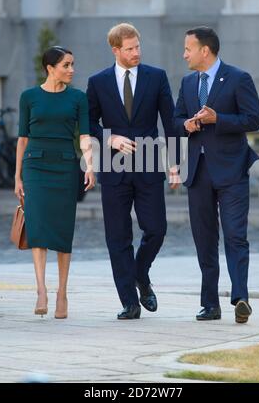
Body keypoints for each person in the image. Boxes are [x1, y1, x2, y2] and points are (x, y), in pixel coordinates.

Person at [87, 23, 180, 320]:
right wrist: (109, 138)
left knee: (156, 229)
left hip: (150, 165)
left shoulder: (157, 77)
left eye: (138, 46)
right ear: (116, 50)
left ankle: (141, 273)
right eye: (129, 49)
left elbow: (171, 121)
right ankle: (129, 301)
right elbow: (87, 123)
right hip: (114, 169)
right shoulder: (98, 82)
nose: (136, 52)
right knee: (118, 236)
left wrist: (175, 162)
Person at [174, 27, 259, 323]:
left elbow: (253, 119)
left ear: (205, 51)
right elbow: (175, 120)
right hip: (197, 173)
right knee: (204, 239)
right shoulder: (187, 83)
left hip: (232, 171)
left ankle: (241, 298)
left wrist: (218, 119)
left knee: (236, 236)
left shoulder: (238, 78)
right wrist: (186, 124)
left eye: (188, 48)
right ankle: (210, 304)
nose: (184, 54)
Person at [14, 46, 95, 319]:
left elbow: (84, 135)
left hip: (64, 166)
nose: (72, 70)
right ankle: (41, 290)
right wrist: (17, 176)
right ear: (50, 68)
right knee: (37, 226)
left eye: (73, 64)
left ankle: (62, 292)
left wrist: (90, 165)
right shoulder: (29, 97)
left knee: (62, 228)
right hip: (35, 166)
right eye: (66, 65)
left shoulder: (78, 98)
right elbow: (22, 138)